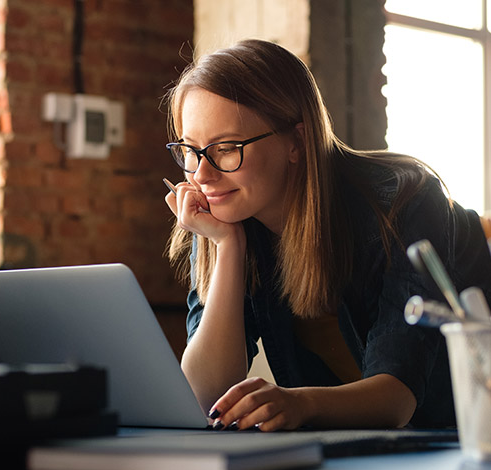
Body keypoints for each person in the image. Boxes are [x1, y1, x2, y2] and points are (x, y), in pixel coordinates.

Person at [162, 39, 491, 432]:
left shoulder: (405, 200)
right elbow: (204, 394)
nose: (201, 174)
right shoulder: (225, 211)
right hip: (367, 457)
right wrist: (228, 246)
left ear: (296, 142)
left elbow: (398, 400)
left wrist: (300, 403)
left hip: (463, 440)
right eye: (190, 151)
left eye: (227, 148)